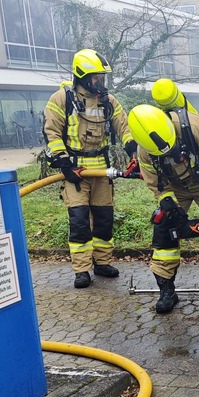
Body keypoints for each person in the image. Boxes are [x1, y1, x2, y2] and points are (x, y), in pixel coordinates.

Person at [127, 100, 199, 313]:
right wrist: (170, 205)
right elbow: (156, 184)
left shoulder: (193, 126)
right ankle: (167, 290)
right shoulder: (144, 152)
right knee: (164, 229)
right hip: (176, 187)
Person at [43, 48, 136, 289]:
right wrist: (65, 164)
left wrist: (133, 150)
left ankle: (102, 263)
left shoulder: (108, 101)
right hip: (75, 172)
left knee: (104, 219)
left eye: (102, 78)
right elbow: (52, 133)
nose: (100, 82)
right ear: (82, 77)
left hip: (102, 170)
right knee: (79, 222)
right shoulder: (61, 99)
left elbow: (124, 127)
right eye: (96, 78)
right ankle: (82, 270)